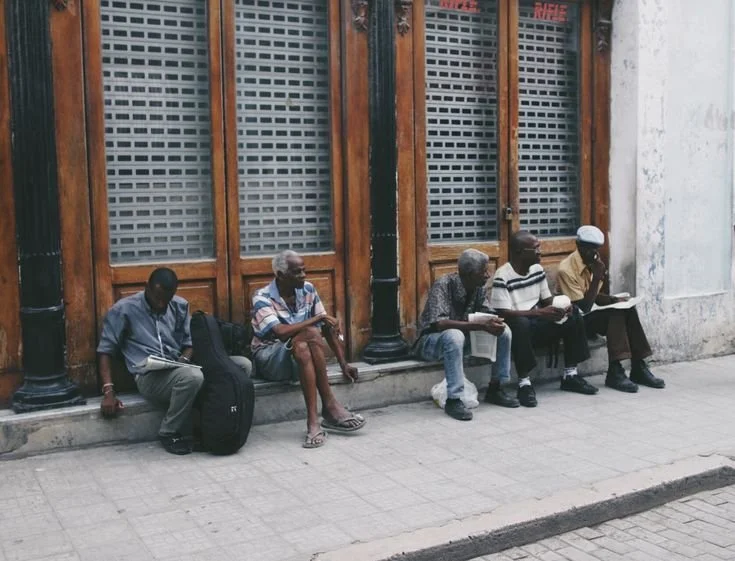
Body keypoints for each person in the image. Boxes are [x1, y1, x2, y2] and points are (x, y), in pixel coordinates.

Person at [97, 267, 252, 455]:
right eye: (157, 298)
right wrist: (108, 390)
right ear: (147, 287)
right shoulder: (124, 310)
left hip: (179, 365)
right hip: (149, 376)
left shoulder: (179, 305)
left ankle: (216, 422)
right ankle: (169, 431)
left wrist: (184, 359)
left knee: (242, 365)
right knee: (192, 376)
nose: (161, 303)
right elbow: (105, 350)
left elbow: (190, 343)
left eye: (167, 299)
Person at [251, 250, 365, 449]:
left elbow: (328, 329)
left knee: (305, 342)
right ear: (280, 275)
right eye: (297, 272)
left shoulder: (308, 290)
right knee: (310, 333)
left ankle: (313, 422)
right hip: (270, 361)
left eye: (304, 271)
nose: (303, 276)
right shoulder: (262, 297)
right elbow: (281, 332)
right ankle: (329, 407)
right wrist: (317, 320)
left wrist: (343, 363)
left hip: (301, 358)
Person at [489, 231, 597, 407]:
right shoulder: (503, 276)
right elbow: (503, 314)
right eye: (535, 248)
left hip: (538, 323)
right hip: (519, 329)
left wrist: (562, 307)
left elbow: (547, 300)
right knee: (520, 324)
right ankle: (524, 384)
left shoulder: (537, 270)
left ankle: (570, 375)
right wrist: (540, 313)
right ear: (519, 252)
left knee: (574, 312)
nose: (540, 251)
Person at [556, 225, 665, 392]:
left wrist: (613, 299)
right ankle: (615, 371)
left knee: (626, 309)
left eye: (596, 249)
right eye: (589, 249)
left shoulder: (592, 262)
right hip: (575, 321)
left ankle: (638, 365)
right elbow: (582, 307)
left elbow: (594, 295)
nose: (593, 254)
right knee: (614, 315)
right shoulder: (567, 269)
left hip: (589, 314)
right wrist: (597, 277)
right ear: (578, 246)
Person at [415, 249, 516, 421]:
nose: (488, 275)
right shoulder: (443, 285)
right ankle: (454, 399)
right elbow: (440, 324)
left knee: (504, 331)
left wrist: (494, 322)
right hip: (432, 343)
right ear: (470, 274)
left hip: (463, 341)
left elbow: (486, 313)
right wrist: (480, 325)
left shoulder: (478, 288)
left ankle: (496, 387)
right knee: (454, 335)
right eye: (483, 271)